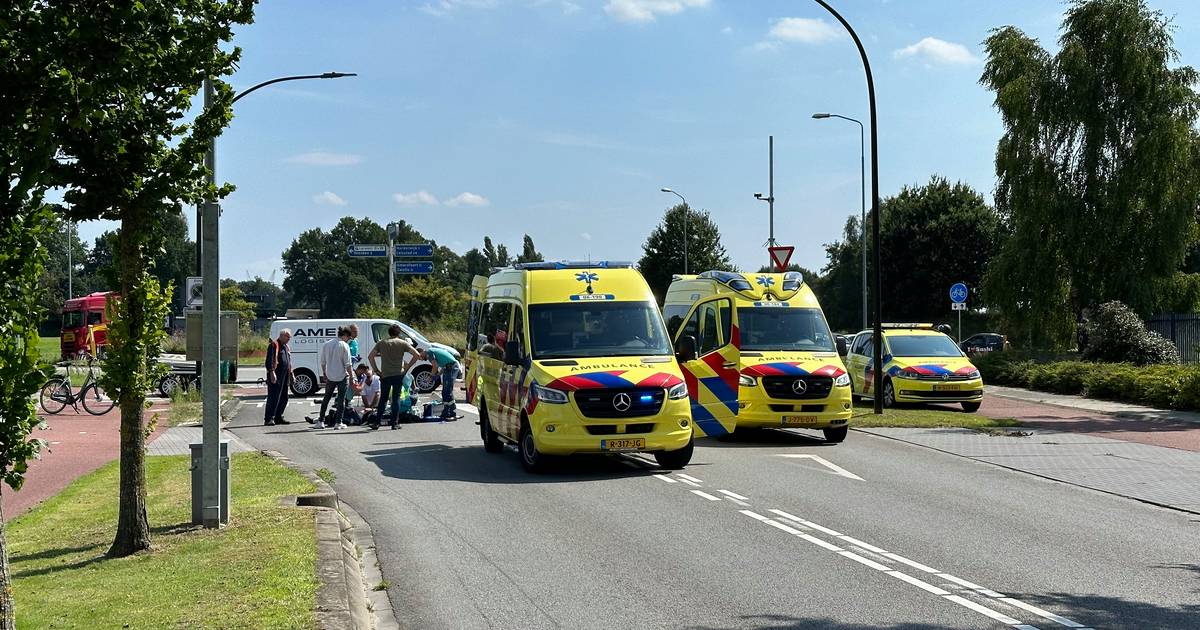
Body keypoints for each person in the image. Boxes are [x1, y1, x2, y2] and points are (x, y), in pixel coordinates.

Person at [368, 324, 420, 430]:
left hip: (385, 374)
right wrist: (407, 368)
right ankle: (394, 423)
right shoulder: (402, 343)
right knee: (396, 398)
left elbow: (370, 356)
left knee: (383, 399)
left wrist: (377, 370)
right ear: (399, 333)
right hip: (398, 374)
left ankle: (377, 422)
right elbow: (417, 355)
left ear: (389, 333)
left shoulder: (382, 343)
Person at [314, 326, 353, 430]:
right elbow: (348, 364)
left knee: (326, 398)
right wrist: (352, 376)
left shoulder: (327, 344)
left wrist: (324, 373)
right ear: (345, 336)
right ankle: (338, 423)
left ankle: (320, 421)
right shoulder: (344, 345)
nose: (348, 340)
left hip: (330, 375)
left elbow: (323, 362)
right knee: (341, 400)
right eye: (348, 338)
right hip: (342, 376)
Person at [422, 345, 463, 420]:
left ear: (422, 352)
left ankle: (452, 414)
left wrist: (431, 377)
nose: (421, 359)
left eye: (420, 357)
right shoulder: (432, 351)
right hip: (448, 367)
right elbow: (443, 364)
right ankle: (446, 412)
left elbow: (435, 366)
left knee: (448, 391)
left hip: (451, 367)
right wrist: (438, 375)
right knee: (445, 391)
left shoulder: (429, 353)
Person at [264, 328, 294, 426]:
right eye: (287, 337)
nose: (289, 339)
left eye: (289, 337)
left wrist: (291, 374)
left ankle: (278, 416)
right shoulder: (274, 345)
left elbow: (288, 361)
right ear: (282, 336)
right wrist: (272, 372)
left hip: (285, 375)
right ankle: (269, 418)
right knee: (274, 396)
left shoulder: (286, 346)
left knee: (284, 397)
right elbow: (269, 360)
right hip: (276, 374)